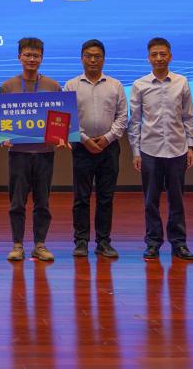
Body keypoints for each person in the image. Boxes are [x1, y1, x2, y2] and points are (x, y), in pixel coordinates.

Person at [128, 37, 193, 262]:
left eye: (163, 54)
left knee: (177, 200)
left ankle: (179, 243)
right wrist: (135, 152)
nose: (159, 58)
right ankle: (153, 243)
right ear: (148, 58)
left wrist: (190, 146)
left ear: (170, 57)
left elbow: (188, 116)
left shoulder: (181, 82)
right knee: (151, 201)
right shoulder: (139, 85)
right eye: (154, 54)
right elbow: (134, 121)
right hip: (150, 150)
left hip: (177, 149)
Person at [0, 37, 62, 262]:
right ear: (19, 57)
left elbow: (61, 118)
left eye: (36, 56)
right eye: (27, 55)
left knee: (42, 202)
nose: (32, 59)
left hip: (45, 153)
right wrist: (3, 139)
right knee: (17, 202)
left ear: (42, 58)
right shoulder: (8, 87)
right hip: (18, 153)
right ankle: (17, 245)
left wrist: (61, 137)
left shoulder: (53, 87)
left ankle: (40, 245)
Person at [63, 39, 127, 259]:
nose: (93, 60)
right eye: (88, 56)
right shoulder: (71, 85)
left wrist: (106, 139)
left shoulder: (115, 85)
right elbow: (66, 118)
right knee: (81, 197)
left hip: (109, 149)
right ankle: (81, 242)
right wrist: (84, 139)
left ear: (103, 59)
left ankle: (103, 242)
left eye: (97, 56)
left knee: (105, 197)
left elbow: (122, 117)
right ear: (81, 58)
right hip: (82, 148)